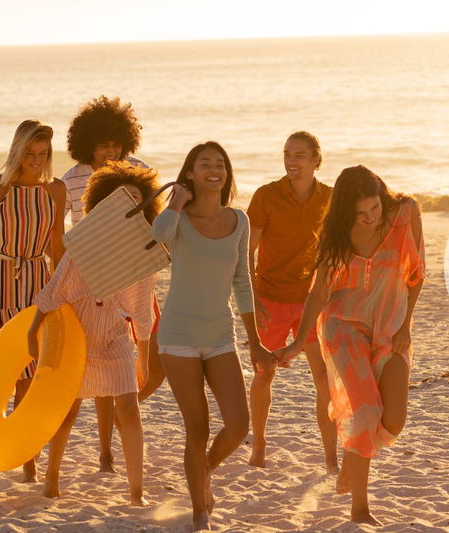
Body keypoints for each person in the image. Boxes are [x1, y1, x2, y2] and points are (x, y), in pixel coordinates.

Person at [272, 165, 425, 525]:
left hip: (391, 326)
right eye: (362, 213)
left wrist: (405, 325)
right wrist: (297, 344)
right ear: (346, 213)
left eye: (375, 208)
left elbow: (417, 275)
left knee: (395, 420)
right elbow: (319, 293)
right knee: (366, 411)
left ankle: (353, 452)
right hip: (344, 328)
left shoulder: (404, 214)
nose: (371, 218)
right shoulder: (337, 236)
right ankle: (360, 508)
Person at [29, 162, 160, 506]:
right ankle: (52, 475)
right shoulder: (85, 243)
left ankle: (136, 491)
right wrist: (32, 334)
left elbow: (141, 311)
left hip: (113, 337)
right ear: (105, 203)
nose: (131, 204)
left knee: (129, 410)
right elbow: (53, 291)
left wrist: (143, 359)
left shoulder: (142, 252)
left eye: (137, 198)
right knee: (67, 412)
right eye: (122, 197)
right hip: (75, 336)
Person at [151, 142, 263, 530]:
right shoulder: (177, 219)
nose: (213, 170)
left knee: (238, 425)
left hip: (220, 334)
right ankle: (201, 510)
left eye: (219, 165)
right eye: (204, 164)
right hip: (178, 333)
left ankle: (202, 475)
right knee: (196, 429)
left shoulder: (240, 220)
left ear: (226, 174)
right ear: (191, 173)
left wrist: (256, 341)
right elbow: (157, 236)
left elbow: (242, 281)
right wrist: (175, 204)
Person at [0, 120, 65, 483]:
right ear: (17, 152)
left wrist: (61, 291)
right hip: (2, 278)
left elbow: (58, 246)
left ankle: (26, 455)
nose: (36, 161)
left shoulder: (56, 190)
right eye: (30, 154)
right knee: (9, 364)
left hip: (39, 281)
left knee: (32, 368)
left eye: (43, 154)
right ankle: (5, 441)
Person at [60, 96, 157, 472]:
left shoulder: (140, 171)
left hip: (131, 275)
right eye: (103, 144)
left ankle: (114, 444)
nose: (111, 151)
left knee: (127, 364)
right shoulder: (71, 180)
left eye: (116, 143)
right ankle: (104, 451)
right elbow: (67, 234)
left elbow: (153, 223)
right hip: (90, 280)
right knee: (96, 366)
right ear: (88, 144)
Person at [246, 131, 334, 469]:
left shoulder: (330, 197)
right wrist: (255, 300)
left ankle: (330, 456)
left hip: (312, 300)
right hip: (271, 298)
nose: (291, 160)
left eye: (299, 155)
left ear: (316, 160)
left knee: (323, 378)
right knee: (264, 372)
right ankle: (259, 446)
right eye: (287, 154)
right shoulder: (267, 196)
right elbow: (246, 254)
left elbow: (336, 252)